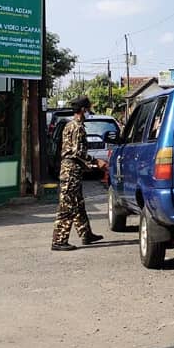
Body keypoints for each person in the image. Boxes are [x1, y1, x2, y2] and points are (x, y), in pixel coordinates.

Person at [51, 96, 106, 251]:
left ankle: (86, 234)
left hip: (72, 169)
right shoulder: (77, 127)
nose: (90, 112)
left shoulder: (70, 125)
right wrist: (96, 161)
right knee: (67, 206)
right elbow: (77, 152)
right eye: (88, 108)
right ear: (83, 110)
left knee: (78, 204)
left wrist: (85, 165)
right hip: (70, 171)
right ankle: (59, 240)